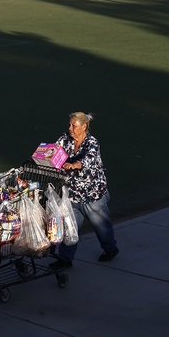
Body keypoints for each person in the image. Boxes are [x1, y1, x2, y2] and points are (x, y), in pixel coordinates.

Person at [51, 112, 118, 269]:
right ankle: (65, 259)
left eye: (74, 125)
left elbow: (88, 160)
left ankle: (110, 249)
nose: (70, 128)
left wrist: (73, 165)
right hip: (72, 195)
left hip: (91, 195)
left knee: (101, 226)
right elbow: (54, 150)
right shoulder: (65, 138)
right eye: (69, 125)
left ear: (84, 126)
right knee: (70, 228)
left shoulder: (92, 143)